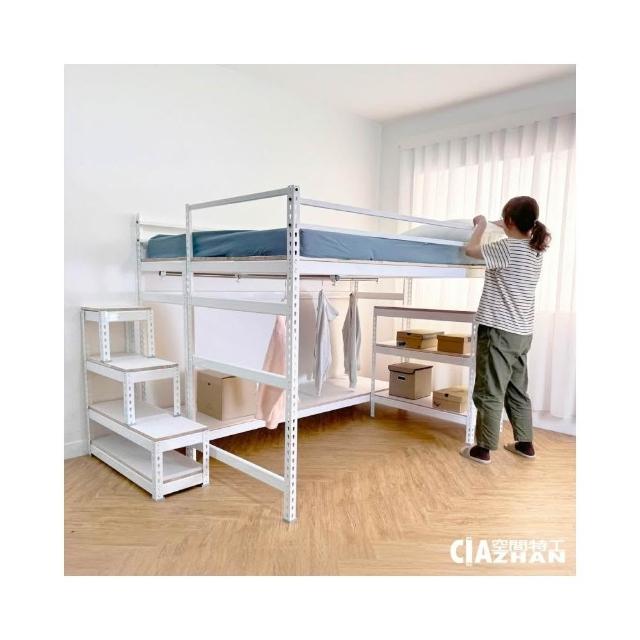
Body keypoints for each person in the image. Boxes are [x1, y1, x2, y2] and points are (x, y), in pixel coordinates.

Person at [460, 196, 551, 464]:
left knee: (489, 389)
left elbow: (470, 250)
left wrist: (481, 224)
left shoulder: (506, 248)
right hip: (522, 333)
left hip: (498, 330)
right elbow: (517, 236)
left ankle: (482, 449)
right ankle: (525, 443)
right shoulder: (536, 250)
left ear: (509, 220)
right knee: (516, 389)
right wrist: (504, 225)